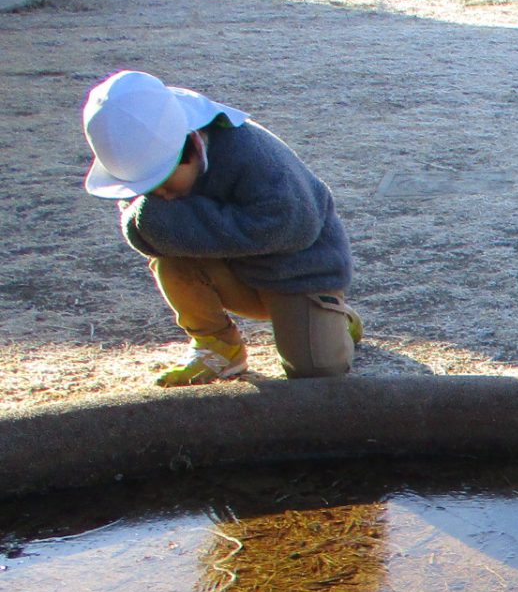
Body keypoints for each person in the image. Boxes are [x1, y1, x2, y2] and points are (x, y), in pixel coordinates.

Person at [82, 70, 360, 387]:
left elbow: (293, 226)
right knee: (170, 254)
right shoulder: (146, 153)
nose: (162, 198)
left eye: (164, 184)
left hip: (298, 275)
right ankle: (217, 345)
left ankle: (337, 318)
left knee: (317, 373)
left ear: (193, 146)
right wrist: (159, 220)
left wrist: (170, 222)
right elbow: (147, 226)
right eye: (146, 191)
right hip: (236, 270)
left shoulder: (256, 157)